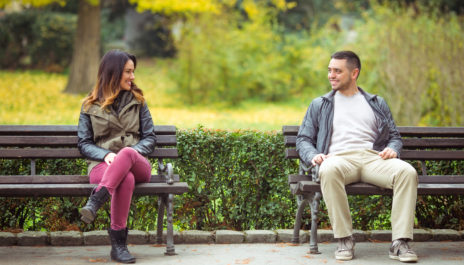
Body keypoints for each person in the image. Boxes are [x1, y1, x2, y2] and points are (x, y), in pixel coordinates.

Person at [296, 51, 418, 262]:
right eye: (329, 70)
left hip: (374, 158)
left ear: (354, 73)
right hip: (339, 159)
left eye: (337, 71)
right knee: (328, 169)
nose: (331, 75)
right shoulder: (321, 104)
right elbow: (303, 139)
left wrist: (393, 149)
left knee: (407, 172)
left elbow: (395, 137)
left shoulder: (376, 102)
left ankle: (400, 243)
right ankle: (344, 239)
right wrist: (313, 155)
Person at [77, 50, 156, 264]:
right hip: (102, 166)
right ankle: (118, 247)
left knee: (128, 153)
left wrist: (129, 154)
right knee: (125, 179)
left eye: (133, 72)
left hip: (137, 162)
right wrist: (106, 155)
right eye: (128, 72)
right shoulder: (89, 105)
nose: (132, 77)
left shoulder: (138, 101)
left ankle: (96, 200)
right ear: (113, 73)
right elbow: (84, 143)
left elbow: (149, 138)